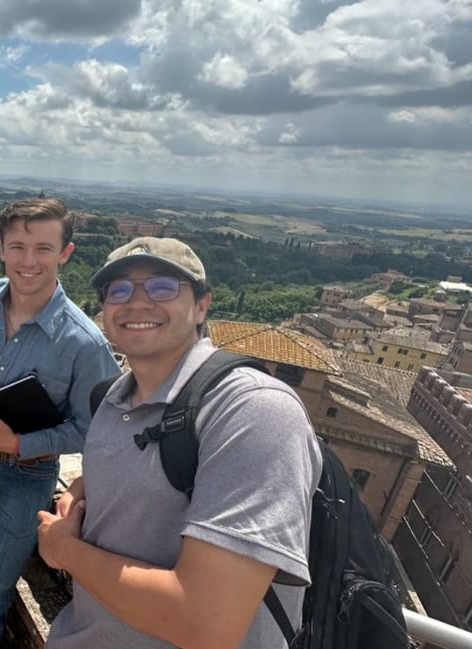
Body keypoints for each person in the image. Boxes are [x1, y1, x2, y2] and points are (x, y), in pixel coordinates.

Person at [37, 236, 323, 649]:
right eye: (118, 290)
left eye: (161, 287)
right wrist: (83, 490)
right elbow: (131, 473)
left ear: (202, 305)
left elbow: (205, 624)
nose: (136, 302)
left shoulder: (253, 411)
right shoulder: (112, 398)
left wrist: (63, 549)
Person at [0, 197, 119, 649]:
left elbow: (94, 430)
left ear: (65, 253)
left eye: (43, 248)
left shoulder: (84, 342)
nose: (28, 260)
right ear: (1, 248)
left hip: (27, 476)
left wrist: (19, 443)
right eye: (17, 246)